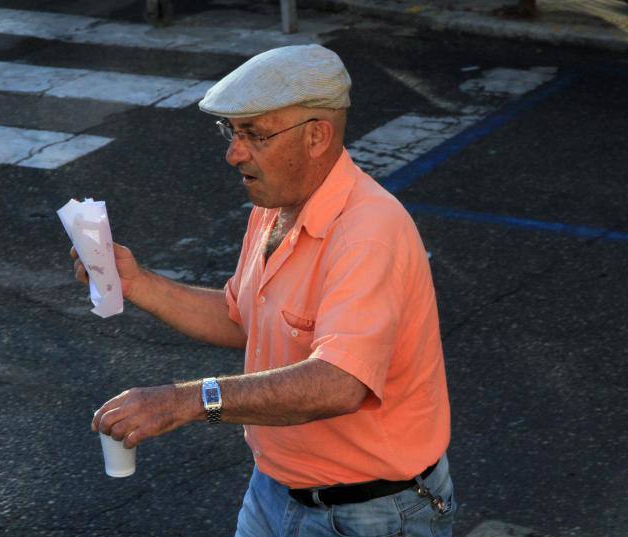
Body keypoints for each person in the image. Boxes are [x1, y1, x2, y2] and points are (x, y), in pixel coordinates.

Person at [72, 44, 455, 536]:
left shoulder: (368, 234)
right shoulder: (273, 208)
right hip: (274, 491)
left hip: (367, 514)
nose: (234, 153)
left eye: (255, 134)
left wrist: (188, 400)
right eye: (231, 133)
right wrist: (138, 283)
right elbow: (243, 318)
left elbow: (339, 383)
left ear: (317, 136)